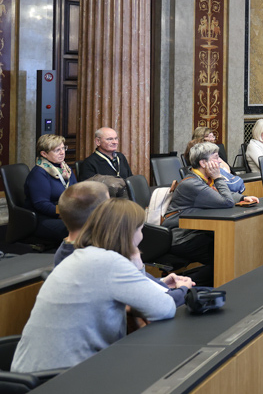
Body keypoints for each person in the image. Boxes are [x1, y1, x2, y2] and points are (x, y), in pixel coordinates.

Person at [12, 199, 180, 373]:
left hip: (35, 371)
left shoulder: (82, 256)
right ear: (129, 233)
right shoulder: (109, 262)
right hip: (59, 378)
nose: (142, 236)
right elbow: (164, 308)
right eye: (141, 229)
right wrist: (139, 267)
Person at [53, 181, 193, 301]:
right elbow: (150, 302)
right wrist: (182, 290)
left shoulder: (68, 250)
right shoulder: (99, 259)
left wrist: (160, 282)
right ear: (101, 214)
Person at [163, 141, 260, 284]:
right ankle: (184, 284)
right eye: (216, 157)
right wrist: (218, 177)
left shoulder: (201, 179)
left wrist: (242, 198)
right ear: (203, 163)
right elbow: (226, 201)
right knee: (226, 255)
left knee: (232, 248)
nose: (220, 161)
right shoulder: (192, 184)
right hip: (181, 237)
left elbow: (216, 195)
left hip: (195, 232)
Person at [24, 134, 77, 240]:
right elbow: (42, 205)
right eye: (57, 150)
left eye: (63, 148)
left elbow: (77, 191)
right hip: (44, 218)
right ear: (44, 154)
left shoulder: (66, 170)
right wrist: (65, 212)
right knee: (80, 228)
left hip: (68, 212)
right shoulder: (39, 173)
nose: (62, 152)